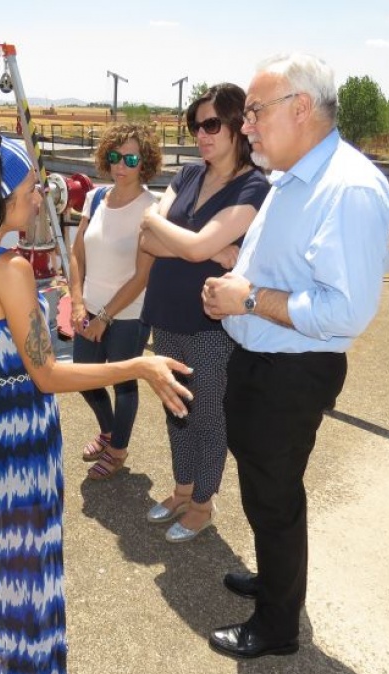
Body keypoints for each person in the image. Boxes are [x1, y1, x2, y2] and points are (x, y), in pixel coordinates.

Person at [0, 131, 194, 674]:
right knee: (18, 551)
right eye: (30, 187)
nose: (40, 196)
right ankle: (15, 669)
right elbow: (47, 375)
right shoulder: (8, 269)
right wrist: (136, 364)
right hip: (15, 431)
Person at [200, 54, 389, 659]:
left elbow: (347, 310)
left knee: (275, 495)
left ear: (301, 108)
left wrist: (250, 297)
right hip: (263, 363)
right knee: (265, 489)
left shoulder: (349, 186)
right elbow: (287, 270)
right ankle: (274, 578)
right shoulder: (294, 176)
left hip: (291, 372)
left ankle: (277, 625)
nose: (247, 125)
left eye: (255, 111)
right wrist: (237, 282)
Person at [138, 83, 271, 542]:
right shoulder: (189, 174)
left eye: (212, 124)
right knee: (175, 408)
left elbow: (184, 242)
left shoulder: (253, 186)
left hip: (210, 322)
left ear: (237, 126)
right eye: (196, 125)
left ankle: (203, 504)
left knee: (207, 414)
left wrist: (171, 230)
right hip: (167, 311)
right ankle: (181, 489)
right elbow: (149, 240)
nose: (202, 134)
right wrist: (207, 249)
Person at [66, 123, 161, 481]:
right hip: (89, 306)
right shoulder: (95, 197)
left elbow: (142, 275)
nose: (121, 165)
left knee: (123, 381)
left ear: (145, 162)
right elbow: (77, 252)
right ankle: (108, 432)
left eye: (131, 158)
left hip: (129, 314)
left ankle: (118, 449)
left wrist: (104, 316)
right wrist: (77, 303)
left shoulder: (152, 209)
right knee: (84, 377)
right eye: (114, 156)